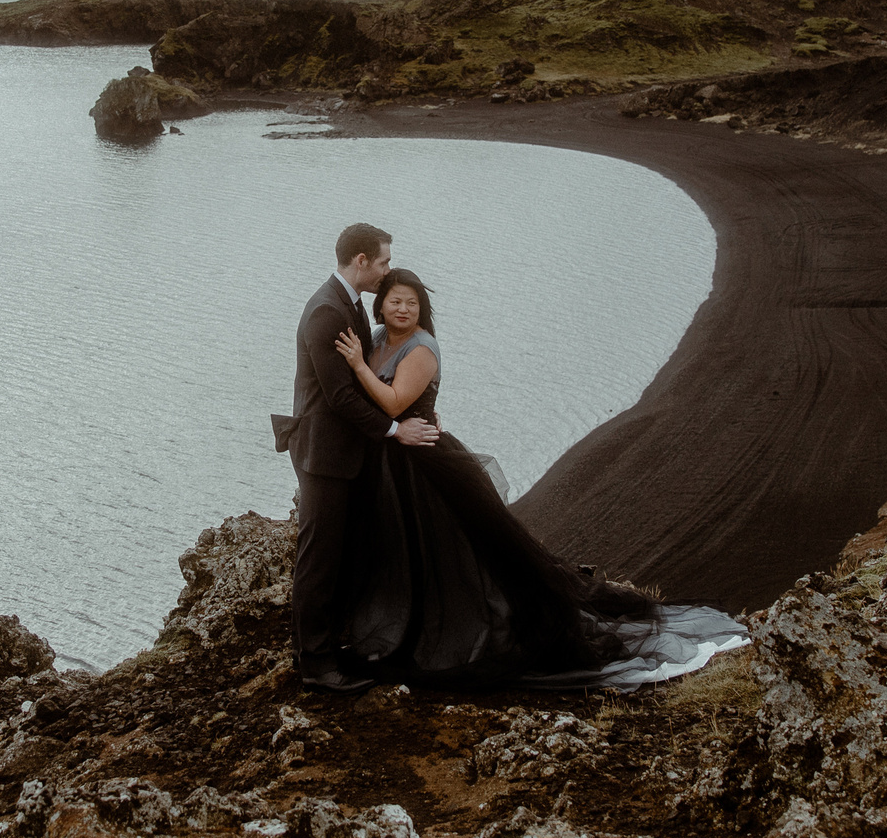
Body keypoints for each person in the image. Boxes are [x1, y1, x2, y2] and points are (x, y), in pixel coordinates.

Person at [316, 261, 745, 689]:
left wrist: (358, 367)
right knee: (405, 555)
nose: (403, 309)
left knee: (454, 557)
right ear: (381, 307)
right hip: (392, 461)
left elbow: (392, 404)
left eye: (412, 303)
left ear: (422, 308)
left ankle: (450, 628)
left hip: (423, 464)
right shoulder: (377, 339)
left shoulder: (421, 347)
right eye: (395, 301)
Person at [278, 222, 443, 691]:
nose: (388, 271)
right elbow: (339, 398)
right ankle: (316, 665)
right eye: (385, 261)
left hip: (343, 451)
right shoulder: (327, 312)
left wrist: (424, 408)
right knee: (319, 557)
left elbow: (369, 381)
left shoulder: (347, 304)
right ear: (362, 261)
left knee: (342, 552)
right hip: (325, 454)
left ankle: (327, 646)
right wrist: (396, 429)